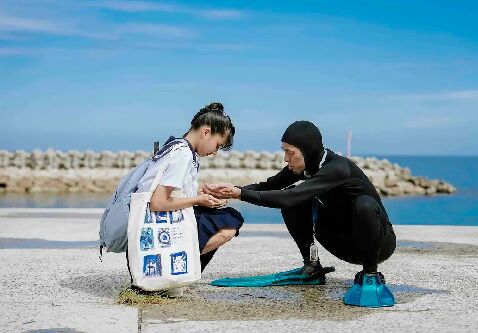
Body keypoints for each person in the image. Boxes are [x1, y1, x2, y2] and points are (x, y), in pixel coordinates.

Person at [203, 120, 396, 307]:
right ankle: (311, 267)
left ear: (307, 151)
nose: (286, 158)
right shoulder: (303, 168)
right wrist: (232, 190)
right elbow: (269, 187)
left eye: (290, 152)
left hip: (378, 244)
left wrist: (240, 194)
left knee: (364, 205)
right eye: (284, 151)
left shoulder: (337, 169)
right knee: (294, 202)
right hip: (343, 243)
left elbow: (289, 196)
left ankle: (371, 275)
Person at [136, 102, 244, 295]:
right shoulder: (183, 155)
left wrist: (202, 195)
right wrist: (198, 200)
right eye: (217, 145)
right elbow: (158, 203)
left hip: (163, 221)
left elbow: (172, 194)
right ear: (206, 132)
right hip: (160, 227)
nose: (215, 152)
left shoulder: (178, 148)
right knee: (230, 223)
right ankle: (175, 270)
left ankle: (181, 273)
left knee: (226, 217)